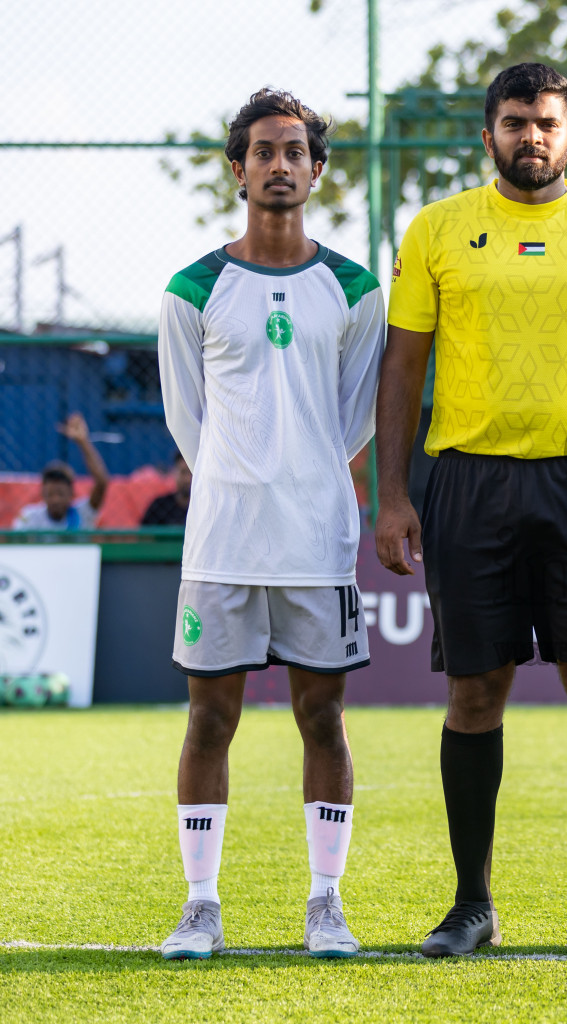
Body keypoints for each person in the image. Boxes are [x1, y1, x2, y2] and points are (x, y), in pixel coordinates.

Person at [376, 62, 567, 960]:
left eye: (547, 123)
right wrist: (392, 495)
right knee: (474, 692)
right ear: (489, 136)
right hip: (469, 483)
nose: (531, 137)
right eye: (515, 122)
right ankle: (472, 903)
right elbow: (402, 368)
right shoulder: (438, 229)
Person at [156, 88, 385, 960]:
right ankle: (200, 905)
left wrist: (307, 474)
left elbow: (355, 417)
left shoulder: (355, 288)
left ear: (317, 170)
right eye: (264, 151)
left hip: (316, 539)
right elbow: (189, 421)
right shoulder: (193, 288)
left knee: (322, 719)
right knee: (208, 721)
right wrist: (238, 478)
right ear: (239, 167)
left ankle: (325, 903)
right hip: (222, 541)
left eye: (296, 151)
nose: (280, 165)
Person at [11, 413, 109, 530]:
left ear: (72, 494)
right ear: (42, 494)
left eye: (60, 494)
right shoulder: (30, 517)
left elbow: (102, 482)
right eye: (50, 494)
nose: (55, 500)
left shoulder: (82, 514)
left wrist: (83, 442)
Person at [140, 452, 192, 526]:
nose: (188, 479)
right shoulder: (160, 505)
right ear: (174, 473)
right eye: (183, 472)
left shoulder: (204, 506)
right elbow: (144, 535)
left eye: (191, 473)